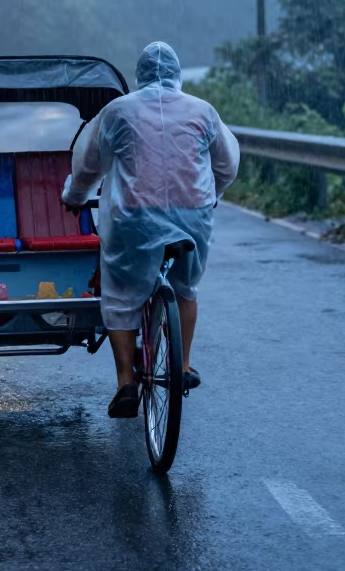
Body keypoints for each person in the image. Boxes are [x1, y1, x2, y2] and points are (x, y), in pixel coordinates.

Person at [61, 41, 240, 417]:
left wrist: (75, 195)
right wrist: (212, 195)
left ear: (138, 77)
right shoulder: (203, 111)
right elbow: (227, 164)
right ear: (176, 75)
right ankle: (185, 365)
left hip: (134, 218)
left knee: (121, 295)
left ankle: (126, 380)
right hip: (192, 215)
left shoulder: (117, 111)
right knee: (185, 288)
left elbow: (87, 165)